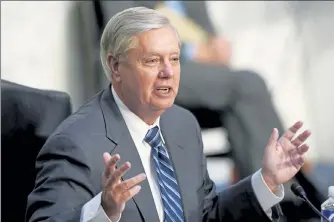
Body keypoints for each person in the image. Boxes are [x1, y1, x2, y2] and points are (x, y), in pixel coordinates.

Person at [26, 7, 311, 222]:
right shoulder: (74, 143)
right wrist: (104, 211)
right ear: (115, 67)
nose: (168, 72)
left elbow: (206, 214)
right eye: (152, 60)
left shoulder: (181, 124)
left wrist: (267, 181)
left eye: (174, 59)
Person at [92, 1, 286, 178]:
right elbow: (125, 37)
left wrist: (217, 48)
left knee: (242, 102)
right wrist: (190, 51)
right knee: (247, 83)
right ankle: (279, 186)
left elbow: (209, 34)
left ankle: (262, 192)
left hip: (199, 74)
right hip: (155, 72)